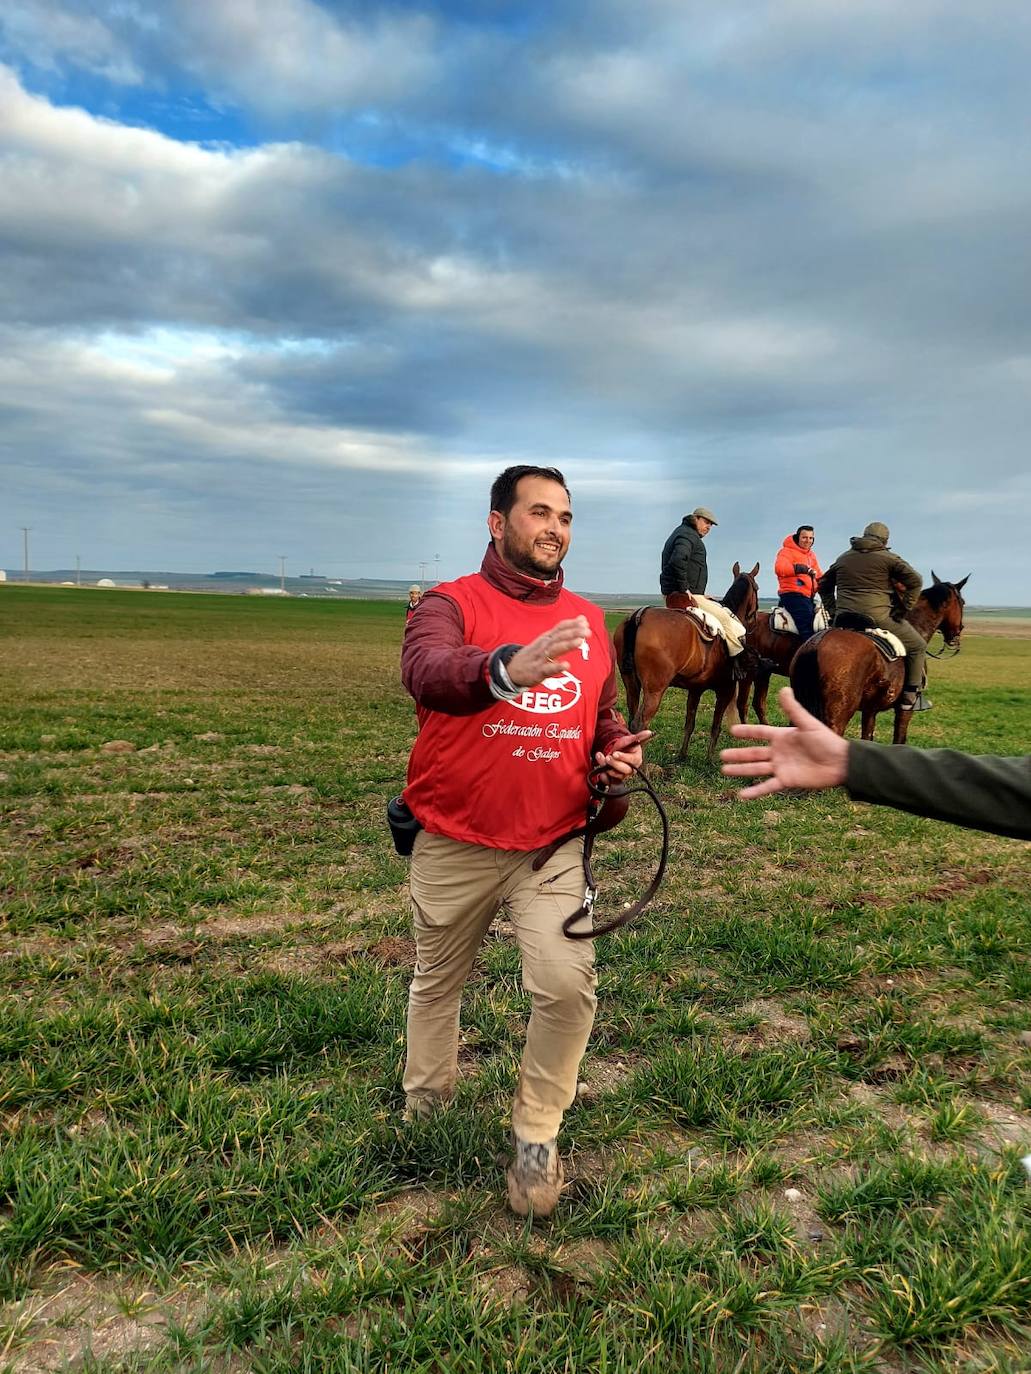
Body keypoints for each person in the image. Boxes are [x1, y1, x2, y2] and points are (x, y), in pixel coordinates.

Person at [399, 464, 648, 1218]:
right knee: (437, 980)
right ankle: (426, 1101)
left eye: (565, 517)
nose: (554, 528)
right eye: (539, 512)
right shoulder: (449, 604)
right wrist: (507, 667)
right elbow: (429, 673)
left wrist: (615, 748)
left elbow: (598, 711)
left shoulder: (585, 619)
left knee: (567, 987)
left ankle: (537, 1134)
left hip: (550, 844)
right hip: (454, 838)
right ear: (496, 521)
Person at [720, 686, 1030, 841]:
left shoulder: (820, 559)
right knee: (913, 645)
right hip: (872, 616)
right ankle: (911, 693)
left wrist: (851, 760)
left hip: (836, 613)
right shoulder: (889, 563)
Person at [819, 522, 928, 711]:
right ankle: (911, 695)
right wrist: (904, 608)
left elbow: (823, 584)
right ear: (885, 541)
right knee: (918, 645)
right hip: (877, 618)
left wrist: (833, 610)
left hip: (843, 619)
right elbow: (916, 581)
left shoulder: (843, 558)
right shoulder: (889, 558)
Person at [659, 505, 748, 667]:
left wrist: (699, 592)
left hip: (687, 592)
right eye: (706, 522)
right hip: (683, 594)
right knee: (727, 620)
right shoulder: (687, 535)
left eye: (711, 525)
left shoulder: (685, 533)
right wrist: (685, 588)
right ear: (695, 519)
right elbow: (678, 559)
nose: (708, 527)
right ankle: (737, 665)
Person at [774, 525, 822, 640]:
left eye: (811, 538)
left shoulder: (811, 555)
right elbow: (780, 568)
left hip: (807, 597)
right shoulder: (786, 552)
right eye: (804, 537)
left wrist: (830, 580)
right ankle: (808, 655)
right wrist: (799, 569)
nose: (808, 541)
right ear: (797, 537)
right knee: (807, 627)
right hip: (793, 594)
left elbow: (819, 575)